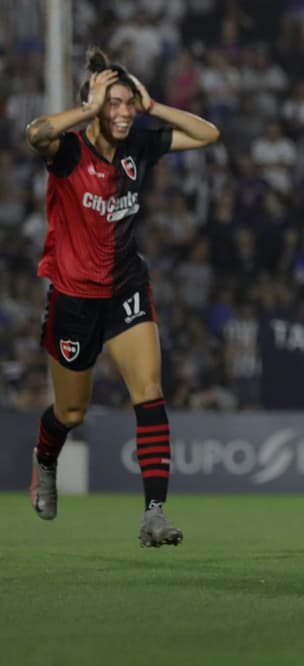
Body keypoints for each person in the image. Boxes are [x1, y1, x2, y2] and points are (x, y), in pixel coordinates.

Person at [25, 46, 220, 546]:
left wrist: (154, 106)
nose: (123, 112)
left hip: (126, 287)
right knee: (71, 413)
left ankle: (154, 514)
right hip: (74, 297)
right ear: (92, 105)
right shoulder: (68, 151)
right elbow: (35, 133)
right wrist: (88, 108)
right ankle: (44, 458)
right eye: (113, 103)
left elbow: (208, 135)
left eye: (128, 103)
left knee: (149, 391)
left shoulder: (139, 144)